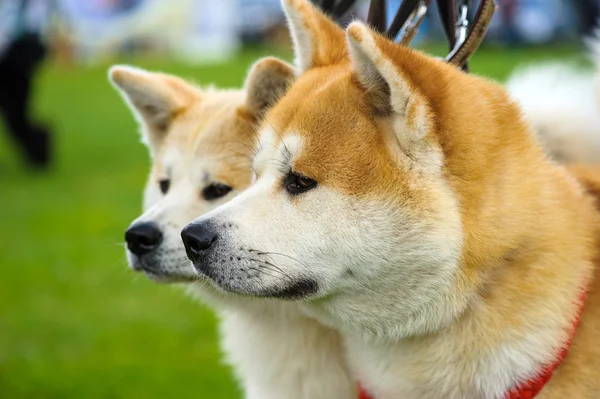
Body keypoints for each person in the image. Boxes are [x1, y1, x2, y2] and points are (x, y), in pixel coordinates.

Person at [0, 0, 56, 168]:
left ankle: (39, 149)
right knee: (15, 111)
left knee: (15, 111)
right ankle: (38, 149)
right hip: (17, 47)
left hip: (20, 48)